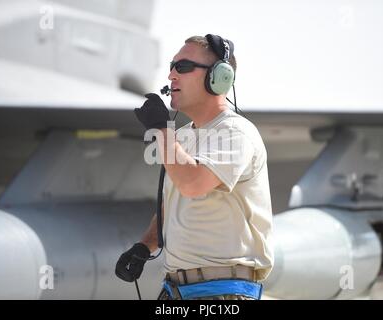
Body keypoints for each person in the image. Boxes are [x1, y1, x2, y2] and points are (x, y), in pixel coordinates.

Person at [115, 34, 274, 300]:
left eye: (183, 67)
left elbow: (192, 184)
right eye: (171, 66)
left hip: (223, 294)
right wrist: (145, 245)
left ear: (218, 77)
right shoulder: (184, 137)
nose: (171, 76)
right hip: (177, 291)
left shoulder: (236, 133)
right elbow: (172, 203)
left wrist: (162, 131)